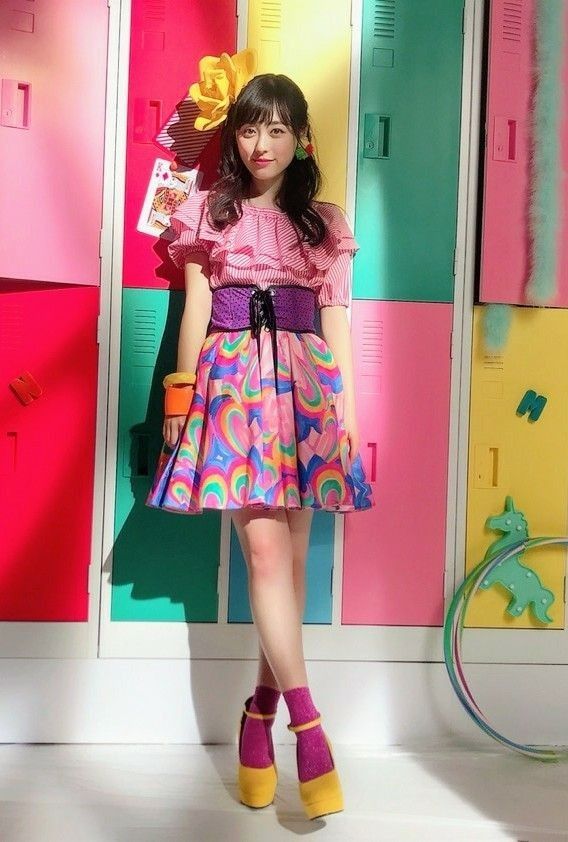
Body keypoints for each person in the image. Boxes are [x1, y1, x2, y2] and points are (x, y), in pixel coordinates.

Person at [145, 72, 375, 820]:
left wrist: (346, 409)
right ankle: (307, 724)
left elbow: (336, 319)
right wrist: (180, 396)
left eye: (277, 129)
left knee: (293, 561)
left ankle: (258, 714)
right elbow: (197, 310)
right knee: (267, 558)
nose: (262, 143)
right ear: (233, 138)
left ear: (300, 138)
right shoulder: (206, 213)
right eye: (249, 128)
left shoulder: (323, 223)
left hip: (304, 392)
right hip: (234, 387)